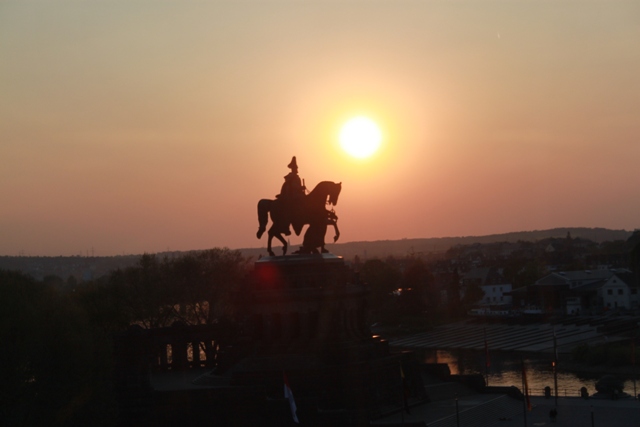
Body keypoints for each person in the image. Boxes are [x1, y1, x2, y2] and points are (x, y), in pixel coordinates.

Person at [277, 157, 306, 235]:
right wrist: (301, 188)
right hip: (292, 196)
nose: (296, 169)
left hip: (298, 194)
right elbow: (293, 187)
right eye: (295, 168)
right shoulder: (291, 177)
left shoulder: (297, 177)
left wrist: (302, 189)